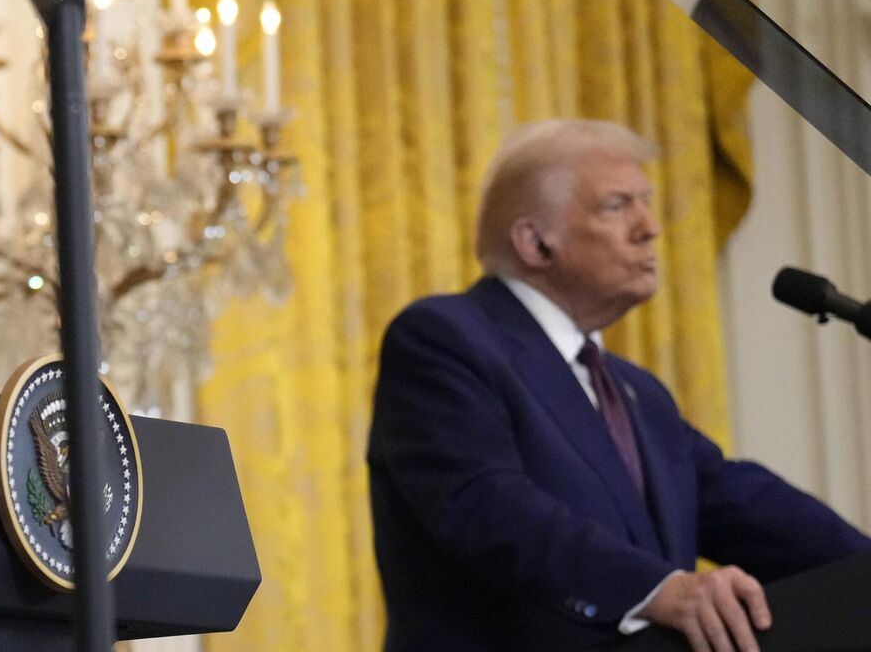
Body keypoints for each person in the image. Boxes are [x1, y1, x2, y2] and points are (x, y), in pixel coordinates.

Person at [368, 119, 871, 652]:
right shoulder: (446, 338)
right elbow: (487, 505)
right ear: (536, 242)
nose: (649, 227)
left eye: (646, 202)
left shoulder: (638, 393)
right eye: (616, 205)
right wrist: (657, 590)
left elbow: (744, 503)